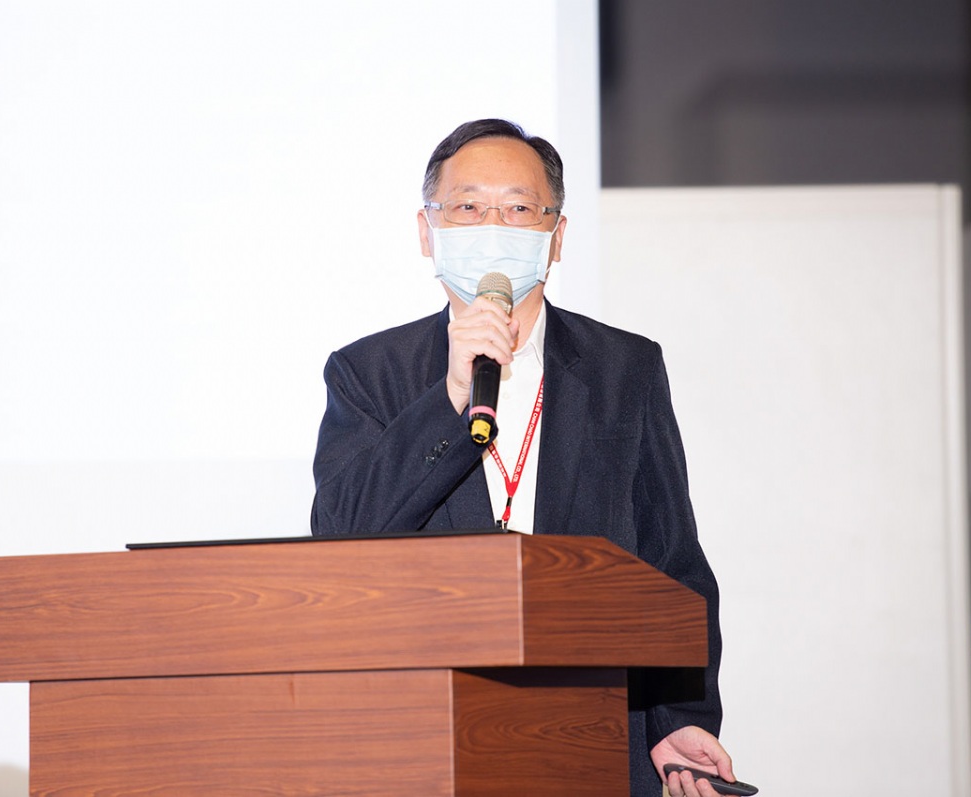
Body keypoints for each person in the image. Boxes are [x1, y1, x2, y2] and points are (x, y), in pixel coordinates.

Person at [311, 118, 737, 797]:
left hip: (592, 736)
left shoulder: (624, 369)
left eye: (517, 208)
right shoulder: (369, 372)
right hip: (425, 742)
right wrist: (450, 396)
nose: (492, 226)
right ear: (427, 230)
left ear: (556, 236)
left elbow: (672, 564)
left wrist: (677, 717)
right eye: (467, 207)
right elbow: (339, 537)